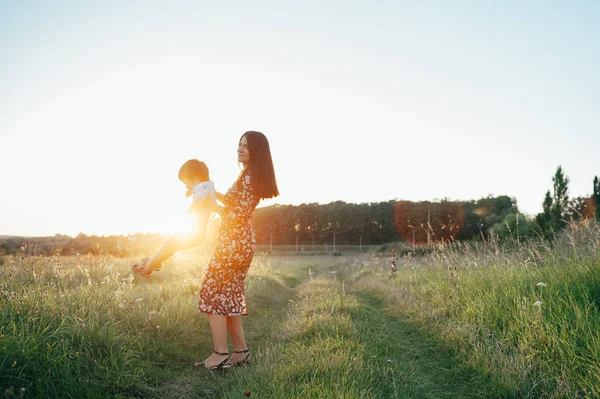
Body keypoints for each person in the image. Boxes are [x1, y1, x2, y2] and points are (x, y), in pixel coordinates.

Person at [195, 131, 279, 370]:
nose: (240, 149)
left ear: (257, 151)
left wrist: (208, 202)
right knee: (229, 295)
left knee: (213, 291)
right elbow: (234, 204)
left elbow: (235, 214)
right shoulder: (248, 175)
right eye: (239, 145)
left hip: (234, 243)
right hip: (239, 242)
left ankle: (220, 354)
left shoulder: (250, 177)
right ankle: (241, 353)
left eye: (246, 146)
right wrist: (209, 191)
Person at [131, 159, 216, 277]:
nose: (186, 185)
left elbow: (199, 201)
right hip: (199, 232)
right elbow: (201, 193)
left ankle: (146, 268)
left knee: (169, 245)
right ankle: (152, 263)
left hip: (195, 232)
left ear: (195, 179)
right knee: (170, 246)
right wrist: (191, 189)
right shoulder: (207, 185)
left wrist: (189, 211)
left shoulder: (200, 188)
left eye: (186, 182)